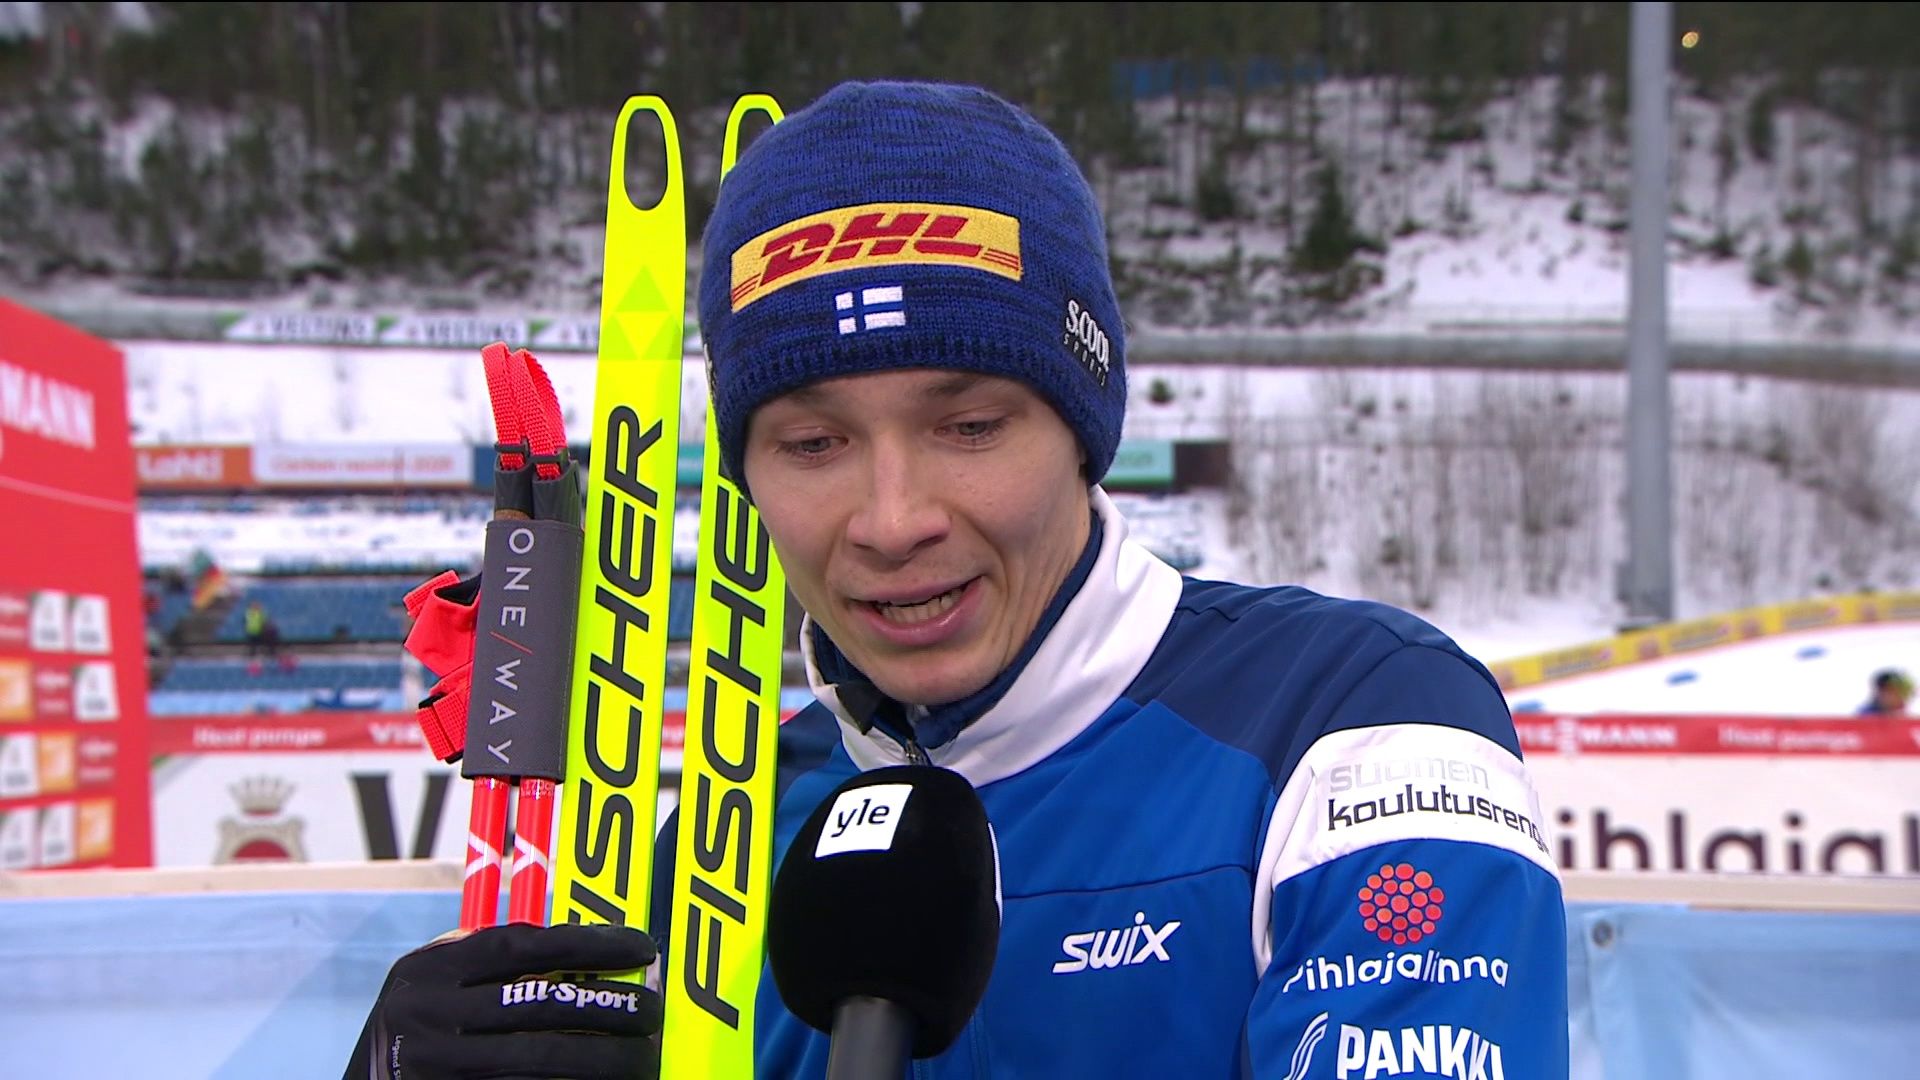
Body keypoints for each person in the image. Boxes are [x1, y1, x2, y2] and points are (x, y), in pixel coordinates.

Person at [345, 80, 1568, 1078]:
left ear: (1082, 432)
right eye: (812, 443)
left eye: (969, 426)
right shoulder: (720, 844)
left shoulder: (1352, 717)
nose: (892, 521)